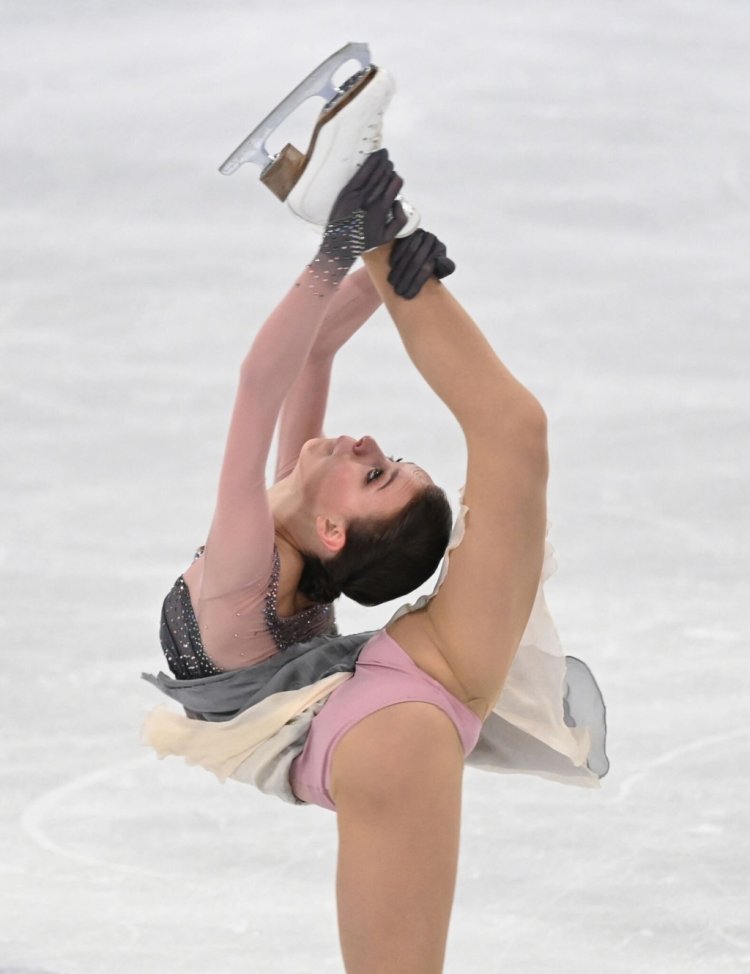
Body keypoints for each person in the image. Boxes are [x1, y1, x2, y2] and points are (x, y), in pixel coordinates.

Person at [144, 60, 608, 974]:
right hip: (376, 715)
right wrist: (387, 255)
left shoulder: (251, 553)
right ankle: (345, 196)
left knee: (516, 437)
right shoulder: (294, 514)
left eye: (379, 473)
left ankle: (341, 199)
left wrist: (339, 249)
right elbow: (313, 360)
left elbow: (259, 383)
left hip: (382, 726)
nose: (361, 444)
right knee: (515, 435)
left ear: (333, 535)